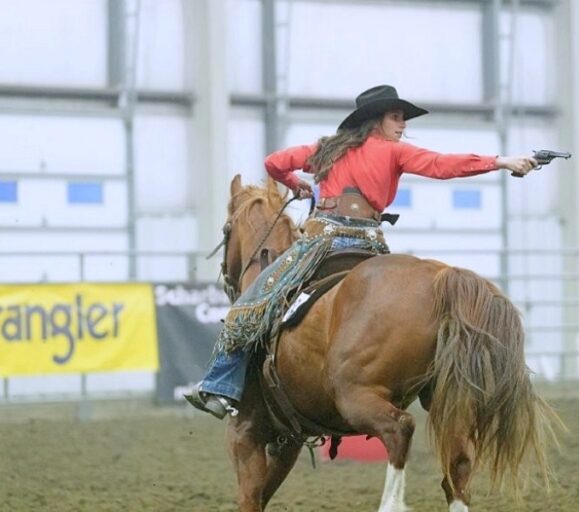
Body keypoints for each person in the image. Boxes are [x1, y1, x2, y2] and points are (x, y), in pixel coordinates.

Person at [185, 85, 538, 419]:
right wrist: (501, 161)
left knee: (253, 303)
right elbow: (442, 165)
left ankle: (220, 387)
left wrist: (297, 185)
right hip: (371, 244)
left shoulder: (326, 150)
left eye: (403, 119)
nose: (403, 125)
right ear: (377, 120)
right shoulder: (395, 152)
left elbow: (274, 163)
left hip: (322, 241)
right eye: (396, 117)